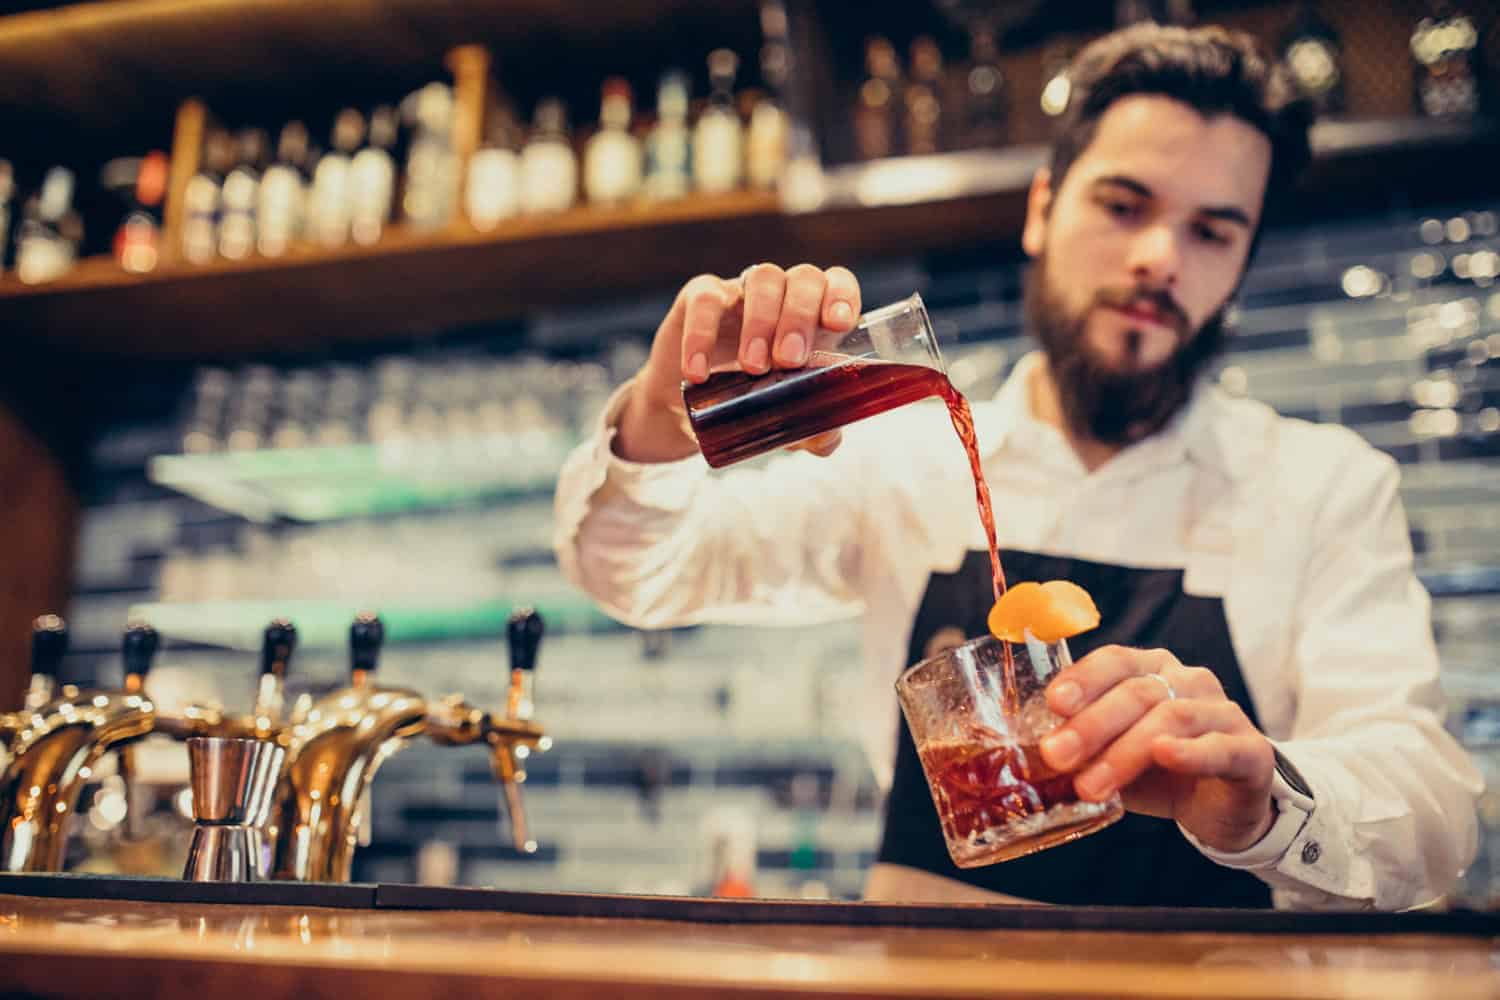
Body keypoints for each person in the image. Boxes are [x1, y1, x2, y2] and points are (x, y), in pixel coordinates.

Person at [552, 23, 1482, 910]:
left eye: (1213, 230)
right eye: (1124, 206)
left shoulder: (1324, 488)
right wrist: (663, 412)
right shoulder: (903, 455)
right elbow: (635, 571)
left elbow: (1433, 812)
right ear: (1044, 208)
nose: (1159, 257)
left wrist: (1264, 797)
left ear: (1241, 262)